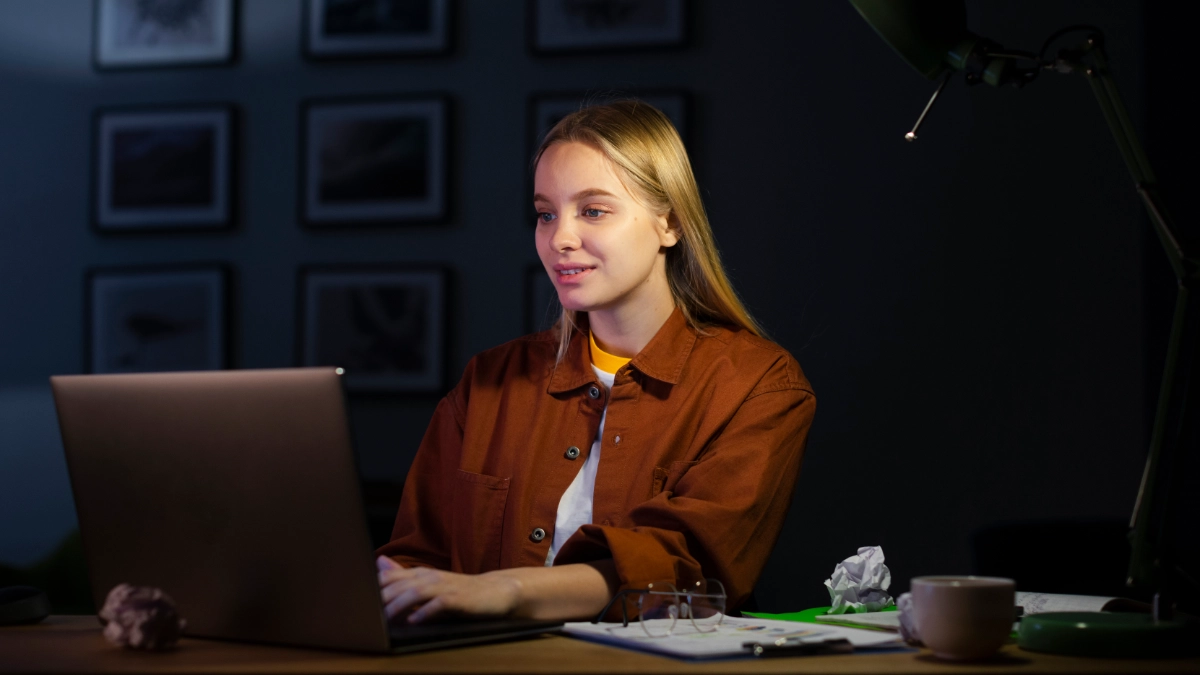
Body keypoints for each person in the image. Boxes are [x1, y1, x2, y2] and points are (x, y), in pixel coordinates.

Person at [375, 100, 815, 624]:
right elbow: (416, 558)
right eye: (545, 213)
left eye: (593, 210)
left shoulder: (758, 385)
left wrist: (510, 589)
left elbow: (689, 568)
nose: (559, 237)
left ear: (670, 223)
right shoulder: (488, 381)